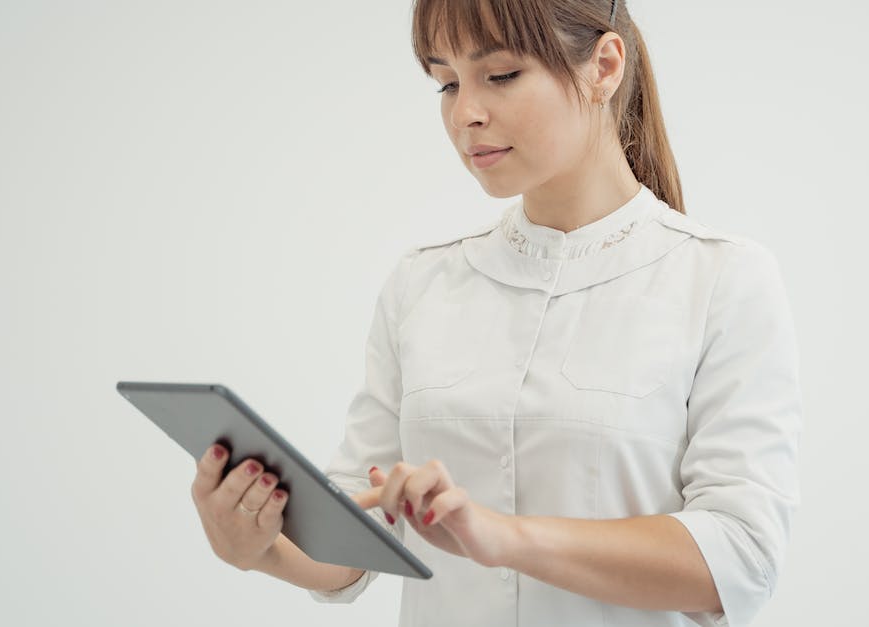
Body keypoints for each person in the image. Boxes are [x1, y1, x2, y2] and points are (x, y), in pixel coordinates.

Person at [190, 1, 802, 626]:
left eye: (501, 75)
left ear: (604, 66)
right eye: (447, 82)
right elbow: (355, 532)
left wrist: (505, 538)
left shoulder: (724, 280)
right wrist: (259, 545)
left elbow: (740, 557)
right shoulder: (421, 284)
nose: (465, 114)